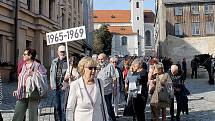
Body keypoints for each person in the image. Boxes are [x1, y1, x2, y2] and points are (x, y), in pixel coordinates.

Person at [66, 57, 109, 121]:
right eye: (90, 68)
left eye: (95, 68)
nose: (93, 71)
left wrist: (106, 118)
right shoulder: (75, 85)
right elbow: (70, 108)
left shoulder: (100, 83)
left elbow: (103, 104)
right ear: (83, 69)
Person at [12, 48, 47, 121]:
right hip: (22, 94)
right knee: (17, 115)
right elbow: (21, 79)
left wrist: (34, 74)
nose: (23, 55)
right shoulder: (24, 66)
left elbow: (44, 78)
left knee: (33, 117)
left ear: (30, 56)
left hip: (33, 94)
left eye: (24, 54)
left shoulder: (38, 65)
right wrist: (17, 90)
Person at [50, 45, 68, 121]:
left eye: (64, 52)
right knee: (57, 107)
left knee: (63, 107)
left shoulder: (68, 62)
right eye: (61, 52)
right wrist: (51, 83)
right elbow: (51, 73)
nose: (62, 53)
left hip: (64, 87)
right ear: (58, 52)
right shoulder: (54, 61)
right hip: (55, 87)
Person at [97, 53, 116, 121]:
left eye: (102, 59)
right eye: (99, 59)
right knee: (100, 108)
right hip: (99, 91)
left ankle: (113, 119)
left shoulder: (110, 66)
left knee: (109, 108)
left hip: (107, 91)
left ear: (106, 59)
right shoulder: (96, 66)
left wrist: (114, 89)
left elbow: (114, 78)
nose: (100, 61)